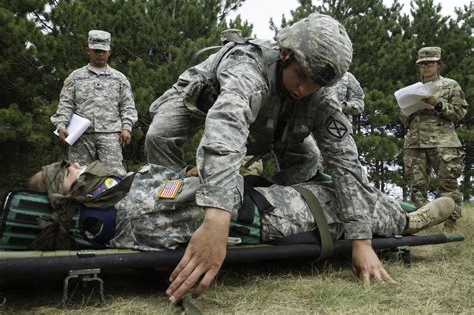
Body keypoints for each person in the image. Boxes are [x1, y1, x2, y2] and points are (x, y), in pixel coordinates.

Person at [143, 12, 408, 301]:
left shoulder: (320, 99)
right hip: (203, 99)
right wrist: (217, 219)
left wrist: (362, 241)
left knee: (308, 158)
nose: (304, 89)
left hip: (276, 122)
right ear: (285, 54)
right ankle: (163, 211)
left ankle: (272, 221)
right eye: (302, 77)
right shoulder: (247, 68)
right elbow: (225, 130)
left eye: (315, 85)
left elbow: (346, 164)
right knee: (160, 134)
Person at [27, 160, 454, 301]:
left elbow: (170, 189)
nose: (79, 165)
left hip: (244, 204)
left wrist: (200, 172)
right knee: (328, 197)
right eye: (69, 169)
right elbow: (177, 208)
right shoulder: (106, 211)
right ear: (65, 189)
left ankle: (399, 209)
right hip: (256, 216)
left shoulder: (109, 197)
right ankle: (407, 222)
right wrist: (226, 173)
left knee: (320, 187)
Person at [50, 29, 138, 176]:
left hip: (110, 135)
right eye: (96, 50)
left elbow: (127, 106)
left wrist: (127, 127)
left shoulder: (119, 78)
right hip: (81, 136)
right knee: (78, 177)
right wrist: (61, 126)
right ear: (88, 51)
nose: (100, 54)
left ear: (109, 52)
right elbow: (65, 104)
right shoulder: (76, 77)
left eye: (103, 51)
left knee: (114, 177)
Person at [400, 46, 468, 231]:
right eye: (421, 64)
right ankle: (420, 227)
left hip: (443, 142)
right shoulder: (414, 89)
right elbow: (404, 117)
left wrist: (437, 104)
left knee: (448, 184)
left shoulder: (450, 85)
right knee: (417, 187)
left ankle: (450, 225)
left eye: (430, 63)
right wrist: (408, 107)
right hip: (415, 143)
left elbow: (460, 112)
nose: (425, 67)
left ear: (439, 64)